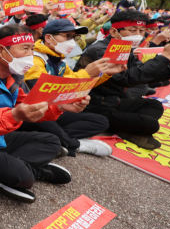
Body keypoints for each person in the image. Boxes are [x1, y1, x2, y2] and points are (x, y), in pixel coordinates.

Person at [0, 25, 88, 204]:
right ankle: (26, 171)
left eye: (32, 49)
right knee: (24, 177)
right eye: (25, 49)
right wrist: (15, 115)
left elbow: (31, 107)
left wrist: (60, 106)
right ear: (0, 51)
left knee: (51, 141)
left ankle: (16, 168)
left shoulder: (15, 76)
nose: (30, 56)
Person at [75, 10, 170, 149]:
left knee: (154, 106)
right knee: (151, 124)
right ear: (113, 31)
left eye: (142, 30)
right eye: (133, 30)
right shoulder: (100, 50)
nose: (138, 35)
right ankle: (128, 129)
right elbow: (129, 79)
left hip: (114, 101)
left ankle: (127, 129)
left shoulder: (125, 49)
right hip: (92, 106)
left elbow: (147, 75)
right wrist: (165, 56)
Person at [22, 19, 118, 157]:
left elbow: (75, 87)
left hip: (55, 109)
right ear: (48, 38)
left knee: (100, 122)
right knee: (44, 120)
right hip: (37, 111)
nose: (71, 41)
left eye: (73, 37)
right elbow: (40, 93)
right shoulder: (36, 59)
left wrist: (105, 73)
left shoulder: (59, 62)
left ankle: (57, 139)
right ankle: (74, 144)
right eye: (67, 36)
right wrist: (86, 73)